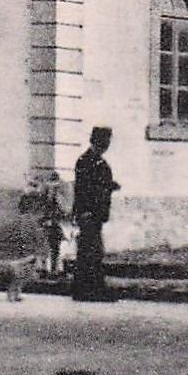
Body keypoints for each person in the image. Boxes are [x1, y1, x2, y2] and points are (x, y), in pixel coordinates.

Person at [70, 126, 120, 301]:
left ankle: (88, 290)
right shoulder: (86, 161)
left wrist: (109, 185)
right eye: (105, 142)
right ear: (98, 141)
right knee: (90, 252)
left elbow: (97, 185)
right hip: (89, 214)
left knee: (92, 252)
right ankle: (88, 291)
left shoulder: (96, 161)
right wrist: (83, 212)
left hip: (95, 214)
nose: (107, 145)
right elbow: (83, 189)